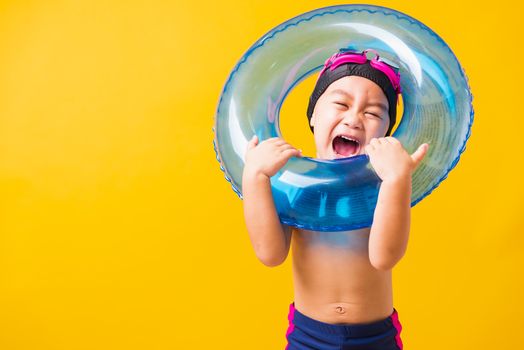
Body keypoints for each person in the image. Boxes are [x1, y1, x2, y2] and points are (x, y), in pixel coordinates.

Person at [242, 49, 429, 349]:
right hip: (309, 336)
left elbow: (384, 257)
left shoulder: (380, 188)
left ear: (386, 132)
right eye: (341, 104)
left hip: (376, 338)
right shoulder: (296, 185)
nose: (354, 119)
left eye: (373, 113)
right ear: (314, 115)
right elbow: (270, 254)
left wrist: (397, 180)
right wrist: (255, 177)